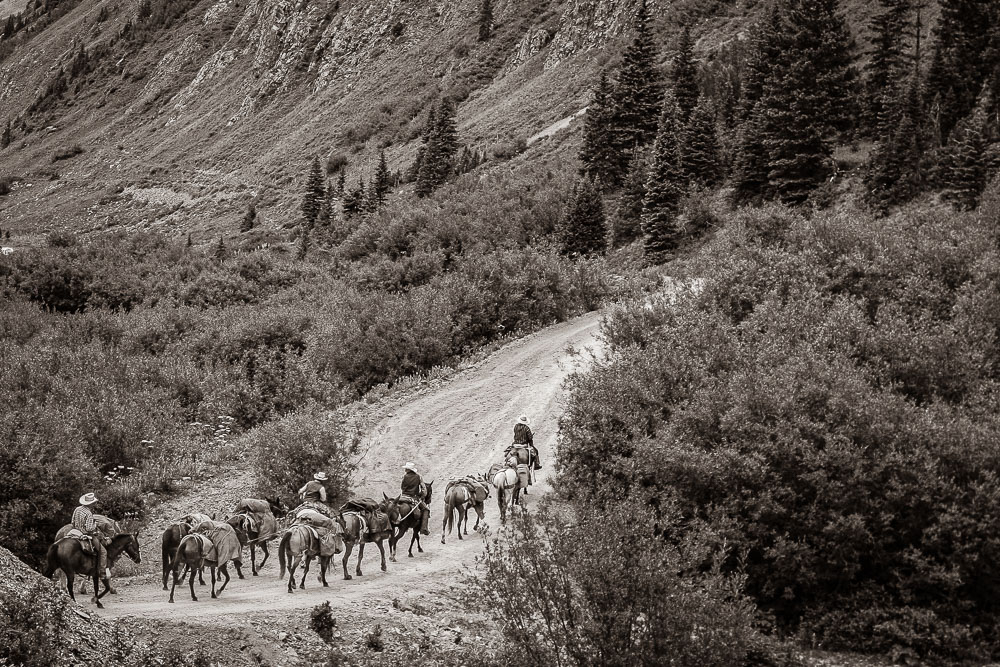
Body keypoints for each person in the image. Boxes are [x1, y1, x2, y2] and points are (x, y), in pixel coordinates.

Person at [71, 492, 111, 581]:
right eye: (94, 503)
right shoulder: (88, 513)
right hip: (86, 534)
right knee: (103, 552)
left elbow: (72, 522)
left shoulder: (77, 509)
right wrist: (95, 524)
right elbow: (89, 529)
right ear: (91, 504)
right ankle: (102, 573)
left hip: (75, 532)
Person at [400, 462, 430, 536]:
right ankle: (424, 528)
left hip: (402, 497)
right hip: (413, 497)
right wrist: (422, 496)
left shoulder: (404, 476)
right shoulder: (418, 477)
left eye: (406, 468)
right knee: (426, 509)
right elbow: (424, 489)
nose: (405, 470)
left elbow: (402, 487)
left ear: (408, 469)